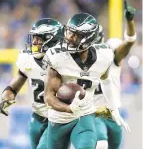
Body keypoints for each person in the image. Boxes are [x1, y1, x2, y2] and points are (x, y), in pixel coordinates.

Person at [43, 12, 125, 149]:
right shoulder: (57, 57)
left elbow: (106, 80)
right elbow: (49, 97)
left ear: (88, 38)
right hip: (59, 119)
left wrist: (113, 107)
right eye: (69, 32)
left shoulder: (103, 56)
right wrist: (69, 108)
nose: (69, 37)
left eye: (75, 35)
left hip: (84, 116)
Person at [0, 18, 63, 149]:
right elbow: (13, 87)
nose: (34, 42)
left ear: (52, 40)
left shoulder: (65, 61)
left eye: (39, 39)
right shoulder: (27, 59)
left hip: (58, 118)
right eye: (34, 38)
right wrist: (6, 97)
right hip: (37, 118)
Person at [94, 1, 136, 149]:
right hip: (93, 114)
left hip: (112, 113)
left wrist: (130, 22)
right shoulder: (77, 59)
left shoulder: (111, 52)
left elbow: (129, 43)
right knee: (101, 144)